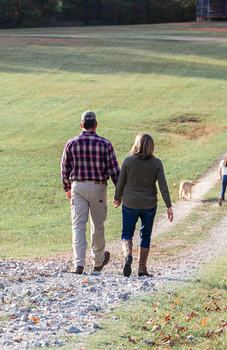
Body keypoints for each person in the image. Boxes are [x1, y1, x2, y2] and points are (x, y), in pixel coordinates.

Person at [61, 111, 120, 274]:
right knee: (97, 226)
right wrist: (119, 193)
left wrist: (67, 187)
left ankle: (78, 264)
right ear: (96, 125)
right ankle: (97, 262)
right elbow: (115, 171)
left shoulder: (71, 143)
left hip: (78, 186)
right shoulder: (105, 144)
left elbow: (64, 167)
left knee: (78, 226)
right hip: (98, 187)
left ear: (81, 125)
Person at [113, 134, 173, 277]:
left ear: (136, 144)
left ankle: (128, 256)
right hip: (149, 205)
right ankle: (141, 267)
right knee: (145, 235)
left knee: (127, 233)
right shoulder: (157, 163)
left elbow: (120, 183)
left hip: (130, 203)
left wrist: (117, 198)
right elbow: (163, 186)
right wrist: (168, 205)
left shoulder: (128, 161)